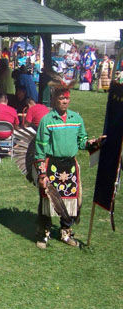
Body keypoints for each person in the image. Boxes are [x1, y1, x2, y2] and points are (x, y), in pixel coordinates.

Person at [34, 77, 105, 249]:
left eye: (67, 98)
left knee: (70, 200)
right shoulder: (47, 120)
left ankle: (66, 232)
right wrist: (42, 173)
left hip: (70, 166)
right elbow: (40, 148)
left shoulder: (76, 118)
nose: (65, 101)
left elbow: (82, 141)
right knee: (47, 200)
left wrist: (94, 143)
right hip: (52, 165)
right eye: (61, 98)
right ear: (54, 100)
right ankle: (44, 233)